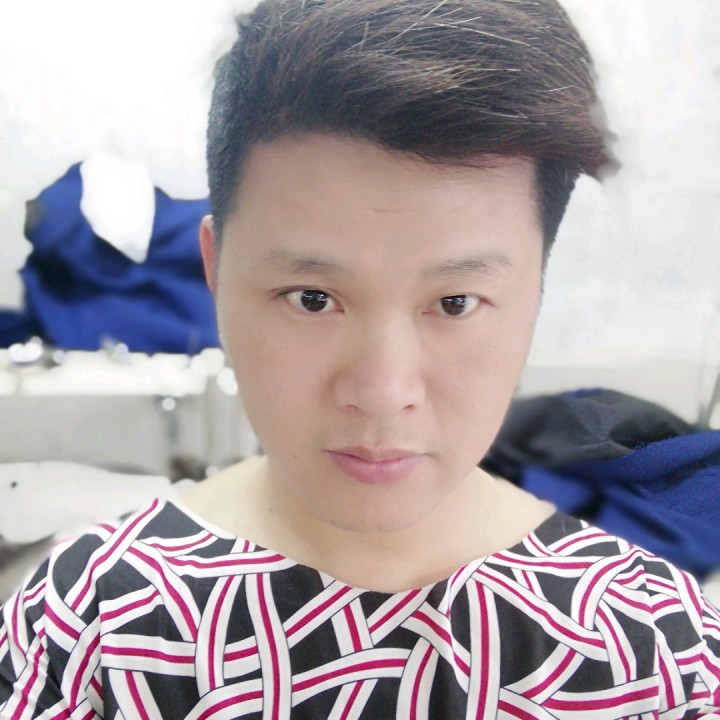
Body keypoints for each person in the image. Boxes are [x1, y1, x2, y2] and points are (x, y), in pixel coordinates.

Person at [2, 0, 719, 717]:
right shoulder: (89, 619)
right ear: (216, 271)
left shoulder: (657, 648)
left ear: (535, 289)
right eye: (312, 299)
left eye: (455, 303)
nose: (382, 390)